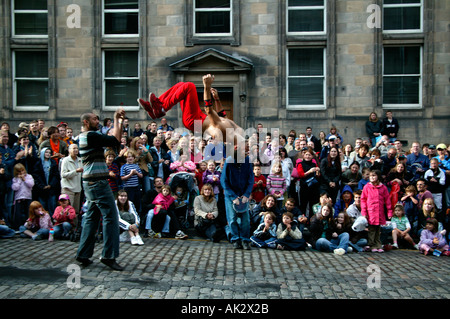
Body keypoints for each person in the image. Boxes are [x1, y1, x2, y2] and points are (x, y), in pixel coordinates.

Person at [76, 108, 126, 271]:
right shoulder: (90, 136)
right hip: (97, 183)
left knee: (91, 217)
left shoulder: (85, 137)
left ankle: (83, 254)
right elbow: (115, 140)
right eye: (95, 119)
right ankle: (108, 255)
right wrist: (116, 120)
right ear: (86, 122)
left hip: (90, 182)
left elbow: (114, 141)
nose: (98, 121)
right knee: (111, 216)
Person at [138, 74, 244, 145]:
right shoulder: (235, 130)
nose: (247, 142)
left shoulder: (225, 133)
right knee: (181, 85)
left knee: (189, 86)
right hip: (199, 117)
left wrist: (206, 86)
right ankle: (155, 108)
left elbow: (209, 110)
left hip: (196, 122)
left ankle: (161, 108)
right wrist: (216, 98)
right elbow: (222, 115)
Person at [220, 144, 254, 250]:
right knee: (232, 219)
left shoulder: (247, 160)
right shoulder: (229, 161)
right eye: (244, 151)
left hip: (243, 194)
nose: (246, 153)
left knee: (246, 220)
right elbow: (224, 181)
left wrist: (246, 195)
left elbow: (250, 179)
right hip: (231, 195)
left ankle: (245, 239)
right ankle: (235, 239)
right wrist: (233, 197)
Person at [361, 170, 393, 253]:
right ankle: (371, 245)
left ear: (378, 177)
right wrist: (364, 212)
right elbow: (363, 200)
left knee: (378, 230)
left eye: (374, 175)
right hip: (370, 212)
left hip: (379, 211)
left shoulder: (383, 188)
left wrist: (389, 212)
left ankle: (378, 244)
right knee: (372, 229)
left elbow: (387, 200)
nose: (372, 177)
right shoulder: (367, 187)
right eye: (370, 176)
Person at [297, 147, 321, 217]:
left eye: (309, 155)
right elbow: (301, 175)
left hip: (314, 187)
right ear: (303, 155)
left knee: (313, 205)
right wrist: (310, 171)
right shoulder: (300, 164)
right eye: (306, 155)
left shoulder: (314, 164)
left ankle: (311, 220)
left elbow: (318, 176)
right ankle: (303, 219)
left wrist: (317, 171)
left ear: (312, 156)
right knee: (303, 205)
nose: (307, 156)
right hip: (304, 187)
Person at [60, 144, 83, 215]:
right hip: (68, 189)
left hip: (78, 189)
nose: (76, 150)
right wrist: (75, 171)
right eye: (73, 148)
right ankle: (66, 225)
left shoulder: (80, 160)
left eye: (77, 148)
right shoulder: (65, 160)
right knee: (67, 210)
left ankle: (75, 226)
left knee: (76, 211)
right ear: (69, 150)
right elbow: (63, 175)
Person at [11, 163, 35, 230]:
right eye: (19, 171)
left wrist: (24, 180)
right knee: (18, 214)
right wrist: (19, 181)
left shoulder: (29, 176)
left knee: (28, 213)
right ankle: (17, 227)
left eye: (22, 171)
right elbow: (14, 188)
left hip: (27, 197)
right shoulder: (15, 179)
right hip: (19, 198)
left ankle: (29, 226)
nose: (21, 173)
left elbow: (31, 184)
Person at [120, 150, 143, 214]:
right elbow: (122, 178)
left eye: (132, 157)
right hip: (128, 188)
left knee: (137, 203)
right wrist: (130, 174)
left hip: (136, 187)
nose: (130, 158)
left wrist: (137, 173)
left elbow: (141, 176)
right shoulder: (124, 167)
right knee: (130, 203)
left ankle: (138, 216)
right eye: (128, 157)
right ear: (126, 158)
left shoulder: (136, 166)